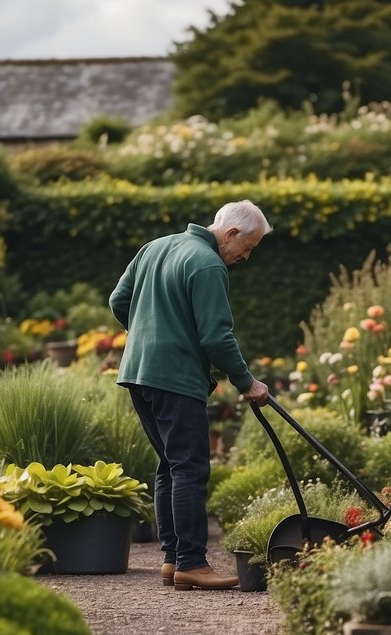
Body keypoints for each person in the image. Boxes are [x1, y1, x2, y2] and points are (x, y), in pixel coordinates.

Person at [109, 200, 271, 590]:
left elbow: (118, 301)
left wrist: (152, 335)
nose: (245, 257)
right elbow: (216, 336)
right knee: (190, 468)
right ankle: (192, 563)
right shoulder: (208, 263)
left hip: (138, 373)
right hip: (175, 378)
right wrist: (246, 382)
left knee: (170, 464)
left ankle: (172, 559)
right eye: (247, 247)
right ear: (230, 234)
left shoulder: (156, 246)